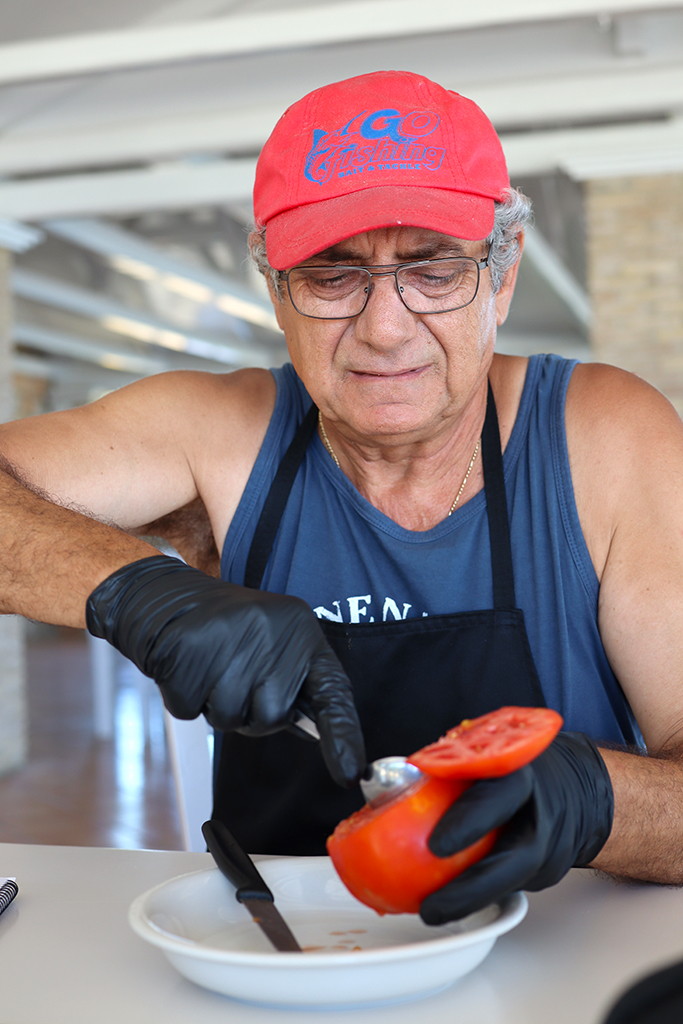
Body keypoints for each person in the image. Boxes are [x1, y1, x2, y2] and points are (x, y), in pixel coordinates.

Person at [2, 69, 683, 925]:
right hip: (275, 951)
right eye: (332, 274)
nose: (385, 325)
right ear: (276, 292)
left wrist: (599, 798)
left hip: (563, 947)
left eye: (432, 269)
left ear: (500, 281)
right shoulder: (220, 429)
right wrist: (134, 590)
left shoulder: (603, 436)